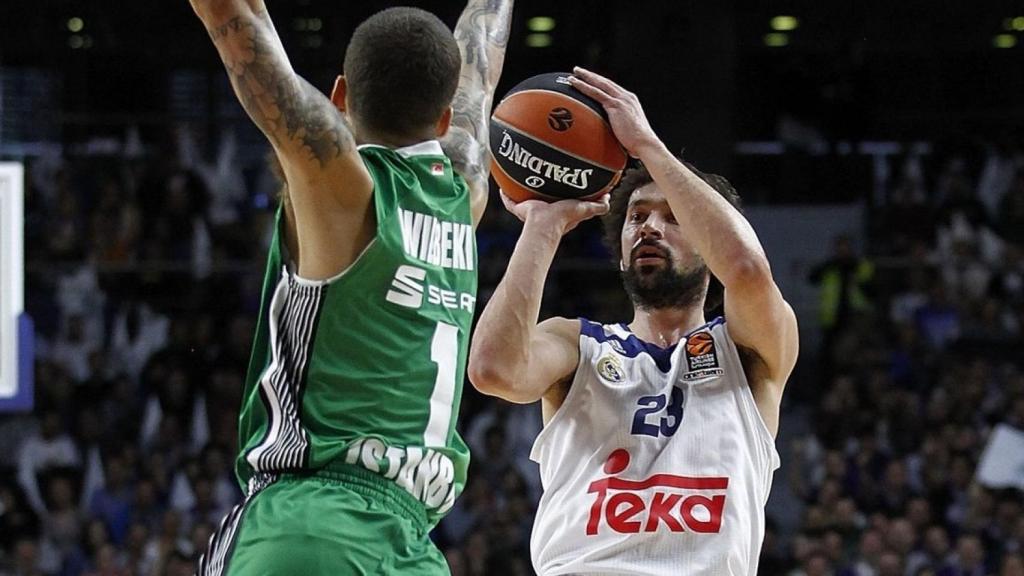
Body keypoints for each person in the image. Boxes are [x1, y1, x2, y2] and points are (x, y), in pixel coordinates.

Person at [186, 0, 514, 573]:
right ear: (442, 120)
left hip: (308, 524)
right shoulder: (464, 192)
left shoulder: (338, 187)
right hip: (412, 547)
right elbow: (480, 67)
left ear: (339, 97)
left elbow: (235, 25)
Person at [468, 67, 799, 575]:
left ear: (710, 245)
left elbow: (749, 270)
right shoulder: (578, 345)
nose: (650, 228)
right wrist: (543, 225)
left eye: (673, 217)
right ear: (620, 251)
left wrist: (647, 147)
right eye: (638, 217)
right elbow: (493, 369)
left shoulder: (750, 351)